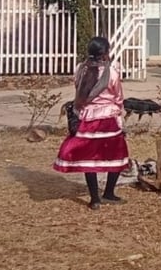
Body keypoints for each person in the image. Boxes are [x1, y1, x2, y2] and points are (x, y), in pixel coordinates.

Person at [53, 37, 130, 210]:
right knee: (117, 155)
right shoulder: (112, 72)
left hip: (86, 119)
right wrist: (120, 113)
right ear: (105, 53)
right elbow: (118, 96)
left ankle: (94, 199)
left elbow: (78, 90)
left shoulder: (81, 69)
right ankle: (109, 193)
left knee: (89, 159)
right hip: (108, 120)